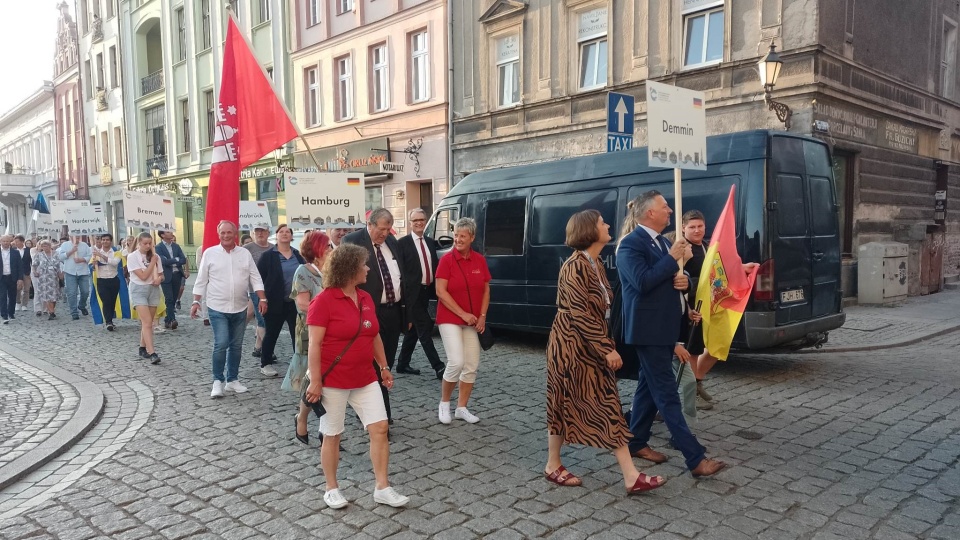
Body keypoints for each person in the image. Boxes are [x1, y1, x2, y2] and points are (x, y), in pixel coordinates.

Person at [545, 210, 666, 493]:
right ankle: (556, 464)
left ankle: (627, 475)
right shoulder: (574, 266)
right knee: (570, 402)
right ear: (589, 230)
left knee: (603, 403)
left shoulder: (595, 263)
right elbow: (579, 313)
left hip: (588, 343)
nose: (608, 224)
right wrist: (606, 349)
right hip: (572, 346)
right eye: (602, 222)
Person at [616, 190, 726, 478]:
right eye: (665, 207)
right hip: (648, 331)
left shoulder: (662, 242)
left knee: (646, 391)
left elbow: (673, 279)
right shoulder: (630, 245)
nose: (670, 211)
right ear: (649, 213)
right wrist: (673, 258)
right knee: (667, 395)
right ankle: (695, 458)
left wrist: (684, 280)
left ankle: (636, 441)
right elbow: (641, 282)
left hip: (666, 327)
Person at [303, 243, 409, 509]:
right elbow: (314, 345)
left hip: (365, 377)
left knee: (380, 428)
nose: (368, 268)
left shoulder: (365, 298)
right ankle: (331, 488)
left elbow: (373, 335)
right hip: (334, 381)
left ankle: (382, 487)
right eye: (363, 264)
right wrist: (316, 381)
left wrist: (384, 367)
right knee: (333, 434)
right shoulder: (323, 301)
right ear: (350, 269)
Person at [191, 220, 267, 398]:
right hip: (217, 307)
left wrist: (262, 297)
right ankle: (218, 380)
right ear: (219, 234)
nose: (226, 236)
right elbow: (201, 279)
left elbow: (255, 277)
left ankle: (232, 380)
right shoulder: (209, 253)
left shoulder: (244, 254)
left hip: (240, 306)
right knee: (221, 343)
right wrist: (196, 301)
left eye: (229, 232)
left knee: (236, 345)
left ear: (235, 234)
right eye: (222, 233)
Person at [342, 208, 405, 423]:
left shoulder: (392, 243)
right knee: (372, 365)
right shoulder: (352, 241)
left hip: (393, 312)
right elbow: (345, 279)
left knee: (386, 363)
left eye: (388, 229)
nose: (385, 233)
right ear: (370, 224)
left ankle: (375, 411)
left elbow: (401, 276)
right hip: (367, 312)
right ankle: (379, 415)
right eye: (381, 229)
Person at [434, 217, 491, 425]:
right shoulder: (446, 260)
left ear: (472, 237)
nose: (457, 239)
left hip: (472, 320)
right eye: (456, 235)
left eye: (462, 236)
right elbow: (441, 291)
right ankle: (444, 403)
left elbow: (486, 290)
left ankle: (461, 407)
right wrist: (463, 313)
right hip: (450, 317)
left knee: (471, 364)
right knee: (456, 361)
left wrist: (482, 316)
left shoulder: (479, 260)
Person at [284, 230, 330, 444]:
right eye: (327, 246)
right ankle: (301, 417)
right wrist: (329, 311)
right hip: (309, 332)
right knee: (312, 380)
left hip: (333, 332)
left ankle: (326, 430)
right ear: (317, 249)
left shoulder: (332, 270)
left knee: (330, 381)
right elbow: (302, 303)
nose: (331, 249)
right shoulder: (304, 271)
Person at [396, 209, 444, 378]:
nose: (419, 222)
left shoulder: (430, 242)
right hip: (411, 295)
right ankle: (439, 367)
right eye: (415, 220)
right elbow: (399, 271)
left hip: (427, 292)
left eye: (422, 219)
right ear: (410, 222)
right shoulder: (402, 243)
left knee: (414, 331)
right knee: (424, 328)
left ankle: (402, 364)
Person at [256, 224, 305, 377]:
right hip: (274, 301)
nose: (284, 234)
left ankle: (299, 364)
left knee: (297, 335)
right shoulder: (268, 256)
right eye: (281, 232)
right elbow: (258, 279)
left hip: (294, 302)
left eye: (287, 232)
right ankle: (266, 363)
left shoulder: (297, 255)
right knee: (271, 333)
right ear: (276, 236)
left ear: (291, 236)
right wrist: (261, 298)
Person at [127, 232, 164, 364]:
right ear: (139, 243)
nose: (148, 246)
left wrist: (159, 278)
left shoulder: (156, 256)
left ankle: (142, 348)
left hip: (153, 289)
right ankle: (152, 352)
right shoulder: (132, 257)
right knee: (147, 322)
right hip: (138, 289)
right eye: (145, 243)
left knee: (148, 322)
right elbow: (143, 276)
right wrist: (152, 263)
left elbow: (161, 274)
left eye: (150, 243)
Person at [244, 226, 274, 360]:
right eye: (257, 231)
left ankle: (257, 348)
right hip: (255, 289)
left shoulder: (274, 248)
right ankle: (268, 351)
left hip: (272, 289)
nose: (260, 233)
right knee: (262, 319)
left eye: (263, 231)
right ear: (253, 233)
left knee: (266, 319)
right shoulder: (247, 249)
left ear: (268, 232)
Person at [155, 230, 187, 330]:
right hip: (166, 275)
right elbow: (163, 261)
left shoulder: (176, 246)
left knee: (173, 298)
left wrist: (174, 261)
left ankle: (167, 320)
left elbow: (183, 259)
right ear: (162, 235)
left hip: (177, 274)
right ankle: (172, 320)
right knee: (168, 298)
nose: (171, 233)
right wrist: (176, 259)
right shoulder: (158, 247)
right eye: (168, 232)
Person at [57, 235, 92, 320]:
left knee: (85, 292)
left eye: (77, 237)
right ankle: (74, 312)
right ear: (70, 237)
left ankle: (81, 305)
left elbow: (90, 256)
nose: (76, 238)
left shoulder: (84, 245)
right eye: (74, 237)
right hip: (70, 271)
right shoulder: (65, 245)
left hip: (83, 271)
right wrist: (71, 251)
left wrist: (82, 259)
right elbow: (60, 257)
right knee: (71, 293)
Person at [92, 234, 122, 331]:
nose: (105, 241)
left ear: (111, 241)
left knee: (112, 301)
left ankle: (110, 320)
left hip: (113, 279)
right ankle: (108, 321)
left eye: (107, 240)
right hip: (102, 280)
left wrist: (101, 256)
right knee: (106, 301)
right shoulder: (95, 253)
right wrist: (93, 265)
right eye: (103, 240)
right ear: (101, 241)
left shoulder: (116, 252)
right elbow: (91, 267)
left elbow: (114, 263)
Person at [32, 240, 61, 319]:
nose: (45, 247)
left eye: (47, 246)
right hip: (44, 278)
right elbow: (34, 264)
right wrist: (35, 272)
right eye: (43, 246)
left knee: (54, 296)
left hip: (53, 277)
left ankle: (52, 309)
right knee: (47, 295)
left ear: (50, 246)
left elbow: (59, 265)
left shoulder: (56, 254)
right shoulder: (39, 255)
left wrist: (60, 274)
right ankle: (51, 312)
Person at [0, 235, 24, 324]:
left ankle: (11, 312)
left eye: (7, 241)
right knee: (2, 296)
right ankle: (4, 314)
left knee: (12, 296)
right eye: (4, 241)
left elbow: (20, 266)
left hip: (12, 277)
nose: (6, 243)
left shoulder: (15, 252)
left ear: (10, 242)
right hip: (1, 278)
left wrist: (20, 278)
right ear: (1, 242)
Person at [14, 235, 32, 313]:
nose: (16, 243)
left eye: (17, 242)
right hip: (17, 272)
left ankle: (24, 304)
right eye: (15, 242)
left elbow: (32, 261)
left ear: (22, 242)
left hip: (26, 271)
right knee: (18, 288)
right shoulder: (13, 250)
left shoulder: (28, 250)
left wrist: (31, 271)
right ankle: (18, 302)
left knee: (26, 289)